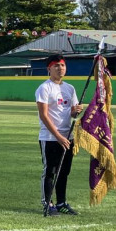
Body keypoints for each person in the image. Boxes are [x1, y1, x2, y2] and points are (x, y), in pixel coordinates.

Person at [36, 53, 81, 216]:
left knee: (64, 171)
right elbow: (44, 115)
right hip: (49, 137)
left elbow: (73, 114)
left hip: (67, 136)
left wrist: (75, 112)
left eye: (62, 65)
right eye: (56, 65)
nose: (60, 68)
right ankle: (47, 203)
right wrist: (58, 136)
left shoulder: (70, 88)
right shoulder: (44, 88)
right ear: (49, 69)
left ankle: (62, 202)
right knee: (50, 171)